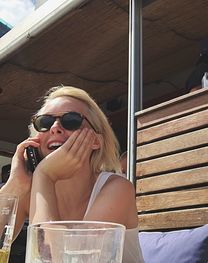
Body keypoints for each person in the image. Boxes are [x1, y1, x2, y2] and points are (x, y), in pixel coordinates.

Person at [1, 86, 144, 263]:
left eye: (71, 120)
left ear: (96, 141)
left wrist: (44, 175)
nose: (55, 127)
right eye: (44, 122)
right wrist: (14, 187)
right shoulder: (30, 191)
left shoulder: (116, 188)